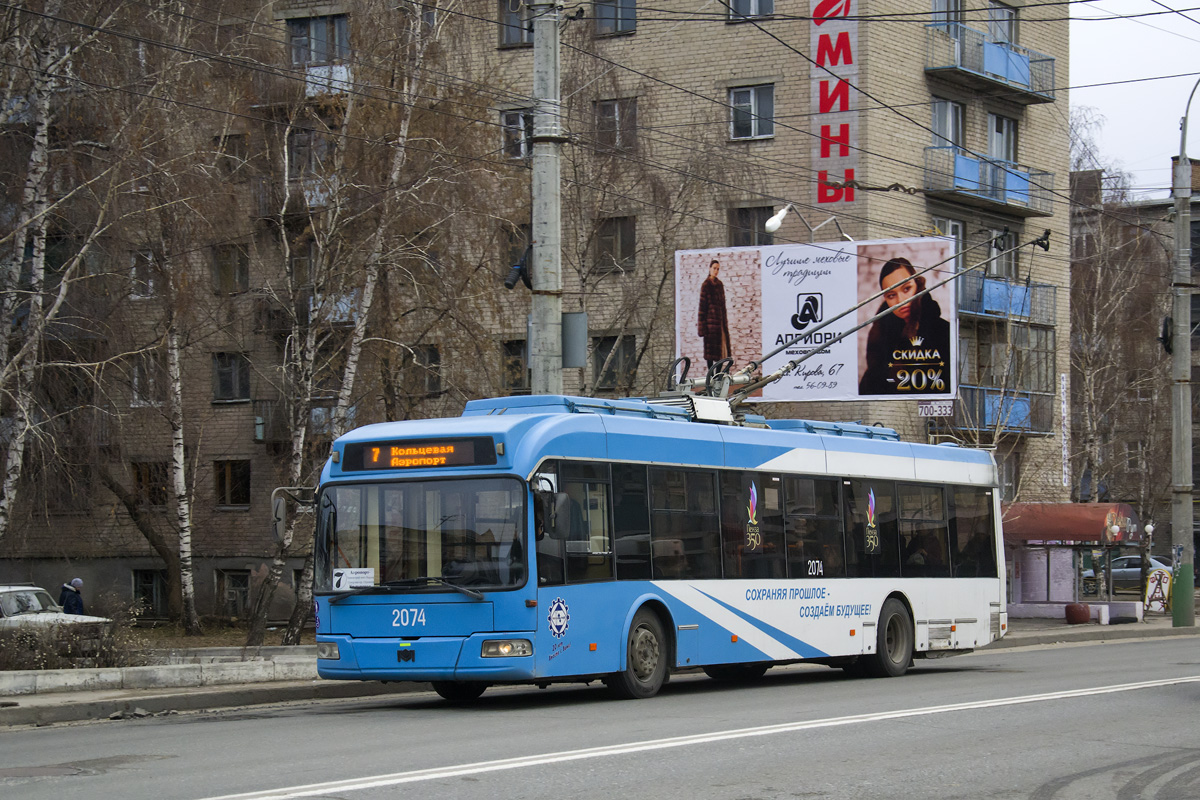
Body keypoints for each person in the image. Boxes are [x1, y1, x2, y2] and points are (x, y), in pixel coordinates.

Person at [858, 257, 952, 396]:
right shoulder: (880, 337)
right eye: (891, 295)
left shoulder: (942, 330)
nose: (901, 301)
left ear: (917, 284)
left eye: (907, 289)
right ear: (885, 298)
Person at [697, 259, 731, 369]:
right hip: (710, 326)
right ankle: (711, 377)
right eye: (714, 268)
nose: (716, 271)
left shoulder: (720, 285)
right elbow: (702, 308)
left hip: (720, 325)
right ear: (709, 268)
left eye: (718, 269)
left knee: (720, 353)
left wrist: (724, 323)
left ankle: (718, 376)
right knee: (710, 355)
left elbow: (723, 307)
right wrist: (702, 328)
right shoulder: (706, 285)